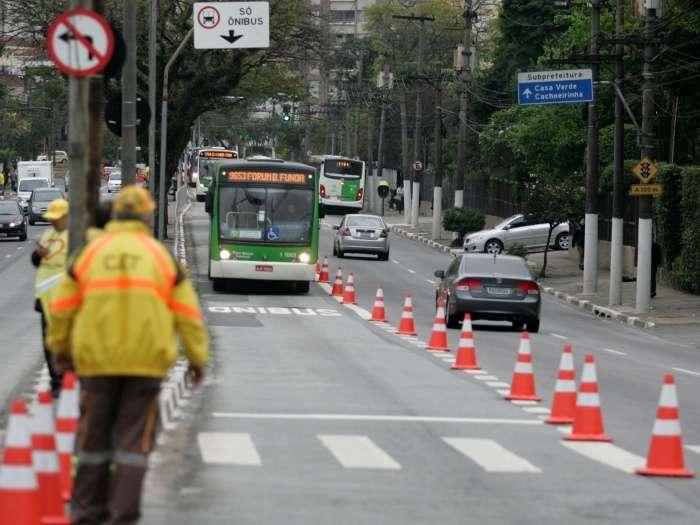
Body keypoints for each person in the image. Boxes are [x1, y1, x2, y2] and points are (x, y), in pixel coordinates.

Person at [47, 186, 209, 525]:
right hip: (145, 366)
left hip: (96, 364)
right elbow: (187, 315)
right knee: (132, 447)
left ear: (115, 215)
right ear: (148, 216)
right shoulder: (160, 257)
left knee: (92, 442)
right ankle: (123, 516)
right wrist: (197, 359)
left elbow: (61, 309)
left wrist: (60, 350)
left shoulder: (91, 253)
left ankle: (88, 513)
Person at [31, 198, 70, 398]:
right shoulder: (49, 234)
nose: (53, 222)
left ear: (66, 216)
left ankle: (68, 379)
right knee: (48, 342)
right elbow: (36, 261)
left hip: (66, 300)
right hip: (45, 299)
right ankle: (56, 381)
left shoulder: (74, 237)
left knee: (64, 341)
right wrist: (39, 254)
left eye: (57, 218)